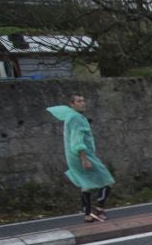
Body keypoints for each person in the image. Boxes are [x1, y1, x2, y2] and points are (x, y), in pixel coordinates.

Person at [48, 94, 115, 222]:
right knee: (108, 181)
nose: (83, 103)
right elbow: (77, 141)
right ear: (72, 104)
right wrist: (84, 158)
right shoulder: (76, 118)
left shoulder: (69, 116)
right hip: (83, 155)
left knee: (86, 184)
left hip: (73, 157)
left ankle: (88, 215)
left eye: (83, 100)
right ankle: (99, 209)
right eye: (79, 101)